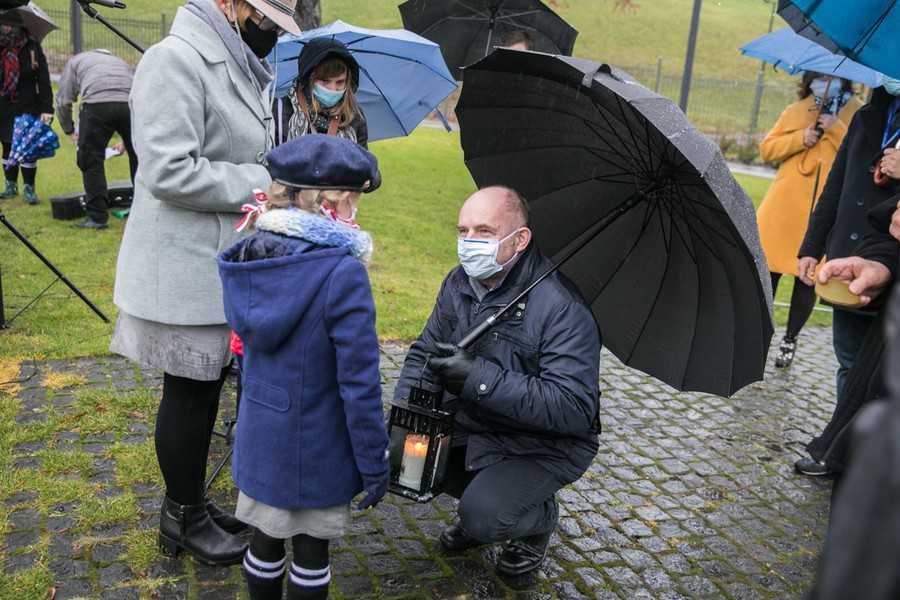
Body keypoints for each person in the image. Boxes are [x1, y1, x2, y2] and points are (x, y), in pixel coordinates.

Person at [109, 0, 301, 566]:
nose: (269, 31)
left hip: (218, 264)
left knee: (208, 388)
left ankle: (191, 502)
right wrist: (262, 180)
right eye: (265, 19)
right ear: (230, 5)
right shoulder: (175, 60)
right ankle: (181, 517)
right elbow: (167, 170)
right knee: (189, 394)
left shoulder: (235, 62)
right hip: (182, 266)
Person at [393, 186, 602, 576]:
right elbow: (425, 350)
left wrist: (477, 377)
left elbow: (573, 408)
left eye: (484, 232)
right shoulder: (459, 282)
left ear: (520, 239)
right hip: (477, 424)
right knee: (408, 461)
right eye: (463, 231)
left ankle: (537, 520)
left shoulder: (563, 307)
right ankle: (489, 497)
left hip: (541, 445)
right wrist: (406, 415)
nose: (469, 242)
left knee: (485, 518)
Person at [218, 134, 389, 600]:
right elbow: (359, 383)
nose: (356, 208)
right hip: (317, 444)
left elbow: (244, 350)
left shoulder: (251, 252)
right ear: (334, 201)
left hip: (262, 435)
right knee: (312, 551)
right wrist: (374, 462)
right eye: (353, 198)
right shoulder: (343, 272)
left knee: (265, 540)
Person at [797, 83, 900, 399]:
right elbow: (836, 184)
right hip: (848, 260)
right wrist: (812, 246)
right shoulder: (867, 114)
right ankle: (847, 430)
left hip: (891, 268)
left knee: (887, 376)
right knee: (849, 363)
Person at [756, 73, 862, 368]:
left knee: (808, 276)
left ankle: (790, 339)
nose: (826, 80)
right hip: (784, 207)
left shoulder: (858, 113)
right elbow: (767, 149)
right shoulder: (796, 110)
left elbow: (859, 158)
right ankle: (759, 337)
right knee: (768, 275)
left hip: (821, 210)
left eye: (832, 75)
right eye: (820, 75)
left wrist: (836, 128)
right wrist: (799, 138)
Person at [55, 49, 138, 229]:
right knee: (138, 157)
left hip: (96, 105)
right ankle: (143, 211)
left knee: (91, 159)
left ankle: (98, 218)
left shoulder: (76, 61)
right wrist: (128, 142)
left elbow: (63, 100)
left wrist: (69, 129)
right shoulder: (121, 62)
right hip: (129, 106)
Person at [0, 17, 52, 205]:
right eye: (3, 24)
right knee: (7, 145)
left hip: (28, 103)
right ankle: (10, 185)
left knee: (27, 146)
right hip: (4, 105)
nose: (6, 27)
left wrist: (47, 108)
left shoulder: (31, 46)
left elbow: (43, 79)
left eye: (10, 24)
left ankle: (29, 188)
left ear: (18, 25)